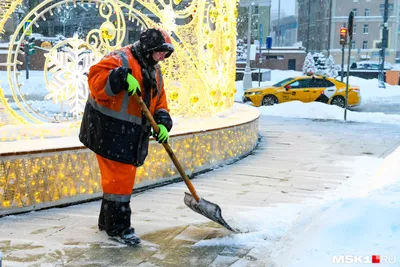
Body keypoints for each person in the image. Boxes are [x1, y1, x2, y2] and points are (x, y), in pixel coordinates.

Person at [79, 28, 174, 246]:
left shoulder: (154, 71)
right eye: (160, 52)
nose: (163, 57)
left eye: (166, 54)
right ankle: (119, 228)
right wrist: (119, 77)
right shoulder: (120, 58)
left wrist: (162, 122)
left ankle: (107, 222)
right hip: (108, 130)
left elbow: (160, 101)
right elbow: (95, 81)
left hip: (129, 134)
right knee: (120, 181)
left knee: (116, 180)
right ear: (148, 48)